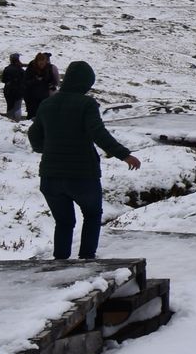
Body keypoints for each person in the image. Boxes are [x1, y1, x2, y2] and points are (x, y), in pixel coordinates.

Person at [27, 60, 139, 260]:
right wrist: (124, 154)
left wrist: (48, 149)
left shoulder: (47, 103)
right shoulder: (86, 104)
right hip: (82, 175)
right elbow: (98, 133)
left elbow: (34, 136)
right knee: (93, 215)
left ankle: (60, 263)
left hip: (50, 176)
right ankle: (87, 260)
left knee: (64, 222)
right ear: (85, 83)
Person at [22, 52, 59, 119]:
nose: (42, 65)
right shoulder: (31, 67)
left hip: (44, 95)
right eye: (40, 63)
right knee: (32, 115)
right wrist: (36, 80)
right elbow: (26, 82)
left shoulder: (49, 68)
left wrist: (51, 85)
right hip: (31, 96)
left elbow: (53, 80)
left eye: (43, 63)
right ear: (37, 62)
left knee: (42, 115)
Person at [0, 53, 27, 121]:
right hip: (18, 91)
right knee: (17, 107)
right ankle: (16, 121)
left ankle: (9, 120)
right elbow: (25, 80)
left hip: (8, 91)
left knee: (10, 106)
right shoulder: (21, 70)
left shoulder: (7, 69)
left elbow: (3, 80)